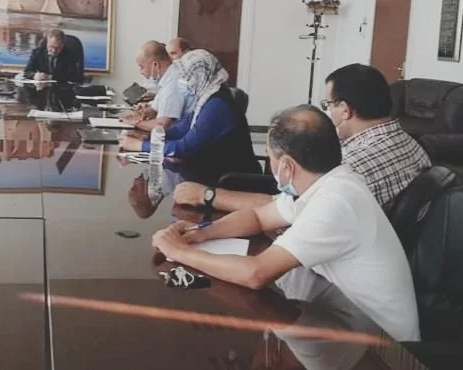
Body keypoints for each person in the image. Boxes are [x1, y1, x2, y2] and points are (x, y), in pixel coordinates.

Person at [152, 105, 420, 342]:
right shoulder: (325, 182)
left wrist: (179, 252)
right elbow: (258, 216)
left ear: (288, 166)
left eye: (270, 157)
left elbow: (256, 274)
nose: (270, 164)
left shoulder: (335, 202)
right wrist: (202, 234)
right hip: (348, 315)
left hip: (384, 346)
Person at [173, 63, 431, 212]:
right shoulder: (411, 144)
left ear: (345, 110)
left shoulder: (349, 166)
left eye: (327, 105)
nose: (327, 112)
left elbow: (288, 209)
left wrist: (207, 195)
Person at [119, 49, 260, 182]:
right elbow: (181, 129)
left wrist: (140, 146)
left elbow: (184, 148)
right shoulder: (206, 99)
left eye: (187, 76)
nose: (182, 80)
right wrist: (148, 137)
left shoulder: (217, 105)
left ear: (200, 76)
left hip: (231, 181)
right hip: (210, 170)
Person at [121, 41, 195, 132]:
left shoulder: (173, 84)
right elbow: (155, 110)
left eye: (142, 67)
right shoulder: (169, 77)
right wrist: (148, 110)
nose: (141, 72)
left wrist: (133, 122)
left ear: (155, 65)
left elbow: (162, 125)